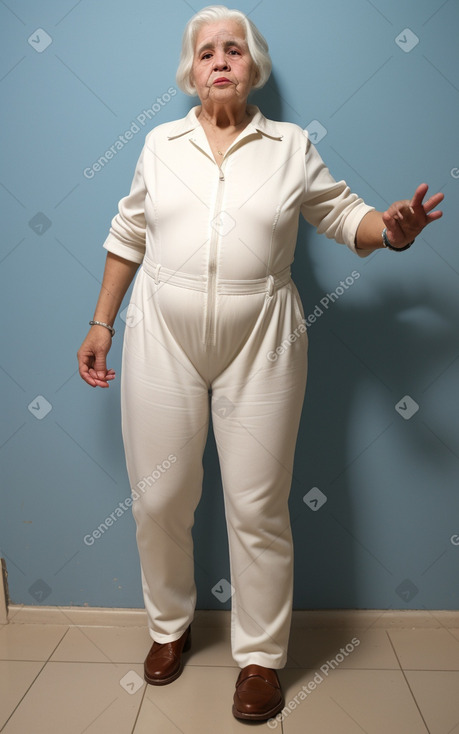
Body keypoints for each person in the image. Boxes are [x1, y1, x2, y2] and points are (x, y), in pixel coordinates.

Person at [77, 4, 444, 723]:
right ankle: (168, 629)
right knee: (158, 497)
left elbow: (343, 216)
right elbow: (128, 234)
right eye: (207, 50)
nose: (220, 59)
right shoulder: (160, 144)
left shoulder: (289, 146)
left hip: (263, 340)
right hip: (163, 332)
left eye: (234, 50)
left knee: (256, 505)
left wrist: (391, 231)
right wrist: (101, 323)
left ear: (252, 66)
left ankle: (259, 659)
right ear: (191, 69)